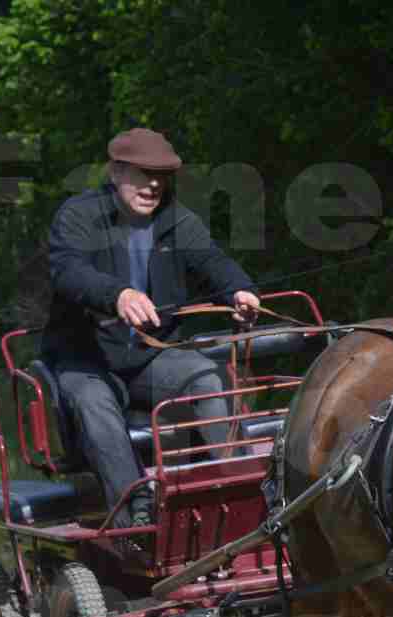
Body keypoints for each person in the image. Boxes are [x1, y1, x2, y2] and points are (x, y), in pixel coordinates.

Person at [40, 126, 261, 529]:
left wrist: (240, 291)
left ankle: (241, 489)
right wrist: (117, 295)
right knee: (94, 404)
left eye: (162, 174)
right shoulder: (79, 216)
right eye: (143, 173)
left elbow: (213, 262)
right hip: (85, 360)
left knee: (206, 376)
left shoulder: (178, 221)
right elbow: (68, 271)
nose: (154, 184)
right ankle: (136, 508)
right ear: (115, 172)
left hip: (146, 357)